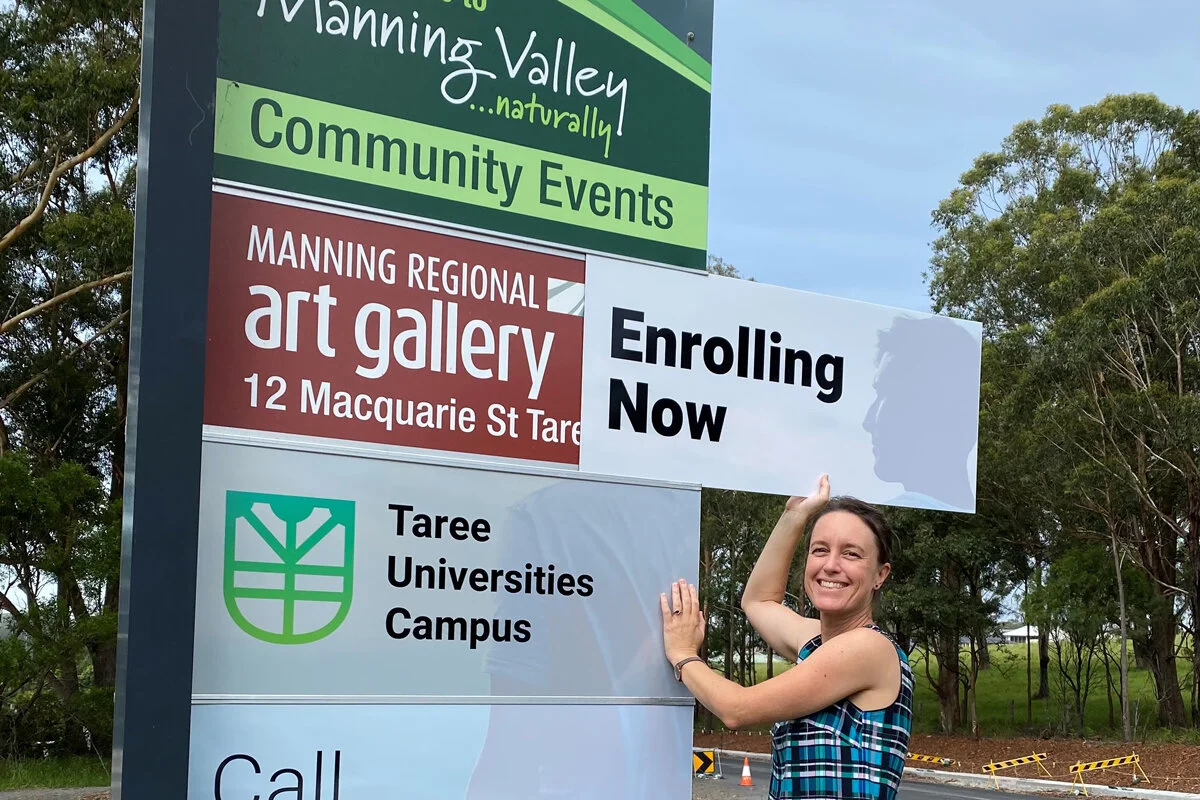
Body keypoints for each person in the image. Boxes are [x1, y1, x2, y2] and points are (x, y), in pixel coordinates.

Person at [661, 474, 913, 799]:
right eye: (820, 550)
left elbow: (735, 709)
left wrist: (684, 655)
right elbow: (757, 601)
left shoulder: (869, 648)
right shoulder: (817, 642)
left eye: (851, 554)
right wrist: (795, 515)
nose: (831, 565)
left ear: (881, 574)